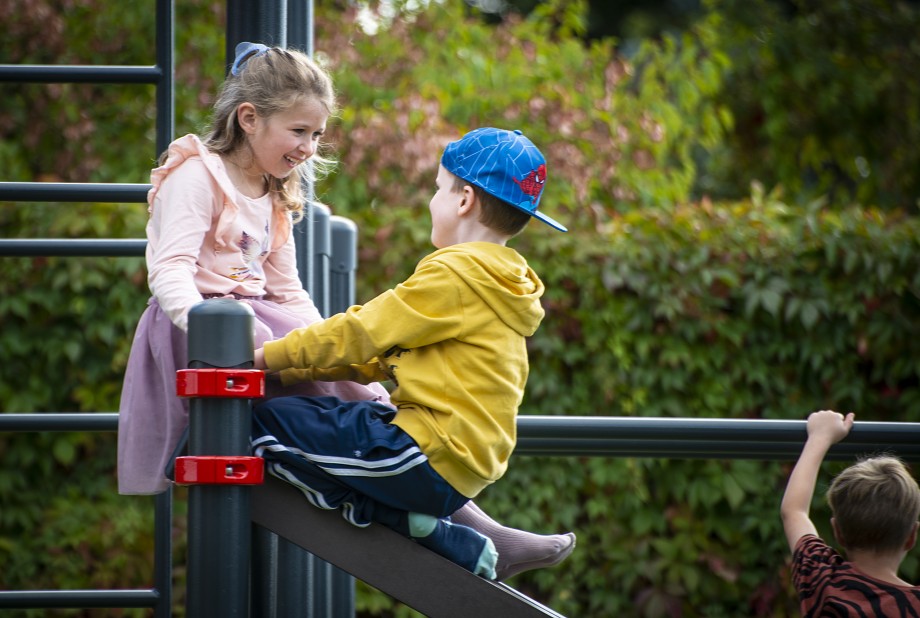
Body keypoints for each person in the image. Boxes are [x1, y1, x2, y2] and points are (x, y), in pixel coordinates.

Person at [116, 42, 574, 579]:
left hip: (260, 334)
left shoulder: (274, 189)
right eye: (300, 132)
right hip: (201, 327)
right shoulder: (198, 176)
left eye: (317, 134)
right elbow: (169, 269)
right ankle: (466, 527)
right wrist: (215, 331)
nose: (310, 147)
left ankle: (469, 528)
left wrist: (301, 353)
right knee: (261, 428)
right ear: (249, 119)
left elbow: (288, 290)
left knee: (318, 409)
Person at [250, 126, 570, 579]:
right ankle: (435, 525)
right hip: (450, 462)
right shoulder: (500, 283)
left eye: (438, 190)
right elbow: (378, 357)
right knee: (315, 420)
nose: (430, 202)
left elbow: (362, 330)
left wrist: (267, 357)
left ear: (464, 200)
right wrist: (292, 368)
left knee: (258, 431)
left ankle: (420, 528)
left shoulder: (455, 275)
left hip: (422, 453)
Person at [781, 409, 920, 615]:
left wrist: (820, 437)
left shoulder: (821, 578)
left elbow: (794, 511)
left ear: (838, 532)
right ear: (912, 537)